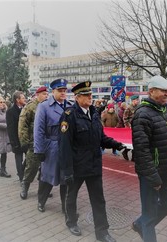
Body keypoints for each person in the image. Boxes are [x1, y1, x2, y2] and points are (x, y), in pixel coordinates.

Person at [59, 81, 125, 242]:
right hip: (77, 166)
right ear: (77, 97)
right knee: (71, 195)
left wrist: (117, 144)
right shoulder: (69, 116)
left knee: (98, 199)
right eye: (86, 95)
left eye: (90, 94)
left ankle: (102, 231)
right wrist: (67, 171)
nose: (90, 97)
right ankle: (71, 221)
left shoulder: (94, 113)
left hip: (94, 165)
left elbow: (101, 138)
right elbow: (64, 146)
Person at [131, 75, 167, 242]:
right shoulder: (142, 115)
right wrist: (153, 178)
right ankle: (144, 225)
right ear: (151, 91)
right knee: (149, 215)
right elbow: (141, 151)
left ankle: (140, 223)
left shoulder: (162, 111)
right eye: (163, 91)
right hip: (151, 174)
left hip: (165, 171)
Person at [34, 79, 72, 213]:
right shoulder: (44, 106)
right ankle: (41, 201)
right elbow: (38, 130)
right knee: (47, 177)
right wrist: (39, 150)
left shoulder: (70, 106)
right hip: (51, 147)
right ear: (53, 91)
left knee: (66, 179)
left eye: (64, 91)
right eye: (59, 91)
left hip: (66, 148)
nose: (63, 93)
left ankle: (65, 207)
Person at [18, 87, 49, 200]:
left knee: (45, 168)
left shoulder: (48, 106)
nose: (46, 96)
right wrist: (24, 141)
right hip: (33, 142)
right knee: (31, 166)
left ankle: (43, 189)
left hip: (46, 142)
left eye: (47, 94)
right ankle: (25, 186)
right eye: (44, 94)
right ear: (37, 95)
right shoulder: (30, 106)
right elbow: (23, 124)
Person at [6, 91, 27, 182]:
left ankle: (21, 171)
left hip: (26, 138)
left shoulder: (26, 109)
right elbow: (10, 128)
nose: (25, 99)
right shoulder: (10, 111)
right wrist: (13, 142)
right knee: (19, 158)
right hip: (17, 139)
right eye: (23, 98)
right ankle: (21, 177)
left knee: (29, 158)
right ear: (17, 100)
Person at [122, 95, 139, 160]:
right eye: (136, 100)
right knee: (131, 142)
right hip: (130, 127)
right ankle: (125, 151)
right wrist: (128, 126)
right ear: (133, 101)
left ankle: (133, 157)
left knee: (136, 142)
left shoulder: (138, 107)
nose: (137, 101)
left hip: (137, 126)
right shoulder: (128, 108)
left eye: (138, 100)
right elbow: (125, 118)